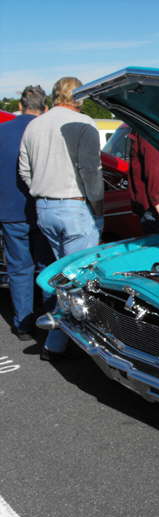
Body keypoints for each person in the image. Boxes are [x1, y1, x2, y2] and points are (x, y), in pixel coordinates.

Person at [19, 76, 103, 361]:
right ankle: (57, 343)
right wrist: (99, 206)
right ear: (78, 97)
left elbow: (25, 169)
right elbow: (91, 170)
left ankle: (58, 335)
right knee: (77, 278)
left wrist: (40, 190)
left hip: (44, 207)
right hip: (75, 208)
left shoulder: (34, 125)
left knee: (60, 274)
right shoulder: (83, 123)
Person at [0, 85, 52, 341]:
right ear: (44, 108)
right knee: (46, 265)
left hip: (10, 211)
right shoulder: (46, 131)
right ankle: (53, 317)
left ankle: (23, 322)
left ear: (20, 106)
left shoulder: (2, 131)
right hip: (43, 207)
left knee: (19, 267)